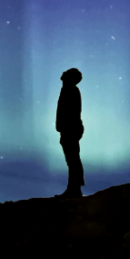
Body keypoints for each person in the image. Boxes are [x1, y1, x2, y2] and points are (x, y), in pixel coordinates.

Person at [54, 68, 85, 198]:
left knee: (73, 160)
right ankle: (74, 188)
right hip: (69, 130)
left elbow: (71, 114)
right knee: (72, 159)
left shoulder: (71, 90)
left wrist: (67, 129)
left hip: (70, 130)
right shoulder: (68, 90)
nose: (62, 73)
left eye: (66, 72)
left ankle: (74, 189)